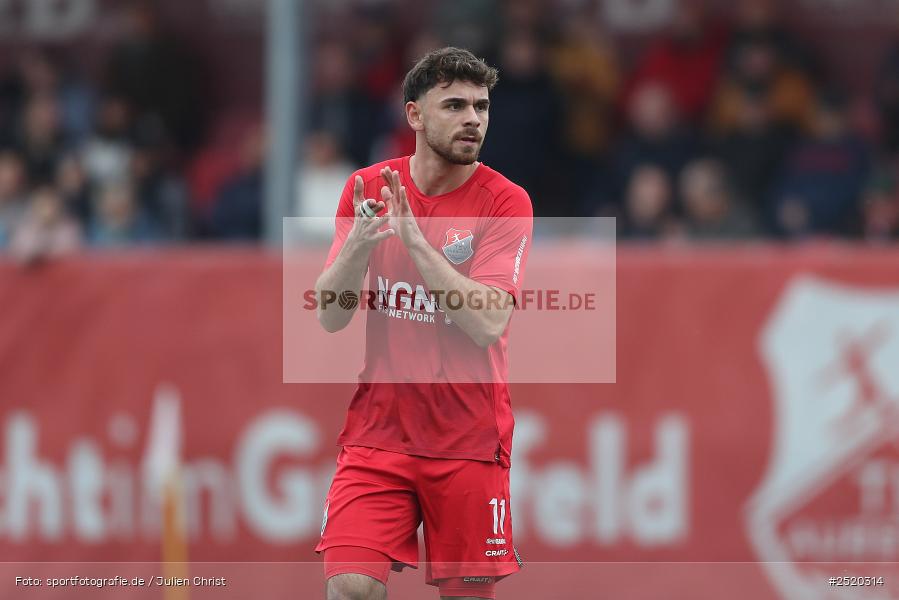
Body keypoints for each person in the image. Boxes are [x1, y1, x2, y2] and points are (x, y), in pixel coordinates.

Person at [313, 47, 532, 600]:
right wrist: (357, 251)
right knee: (351, 588)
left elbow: (486, 324)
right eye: (454, 105)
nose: (473, 119)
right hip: (379, 433)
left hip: (468, 439)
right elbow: (332, 317)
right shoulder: (368, 189)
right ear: (414, 115)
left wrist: (414, 241)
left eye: (481, 107)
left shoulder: (506, 202)